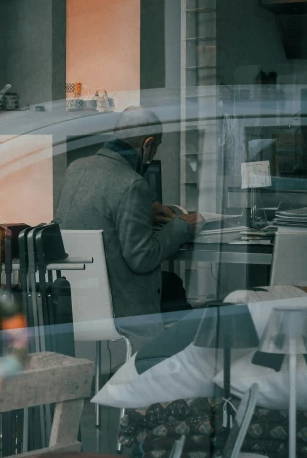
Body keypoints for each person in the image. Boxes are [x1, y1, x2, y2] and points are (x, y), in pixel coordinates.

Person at [55, 106, 203, 349]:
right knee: (175, 287)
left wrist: (145, 211)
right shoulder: (132, 183)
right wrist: (181, 227)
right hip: (120, 304)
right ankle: (172, 365)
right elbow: (142, 258)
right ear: (148, 144)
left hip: (78, 298)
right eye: (156, 148)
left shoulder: (75, 169)